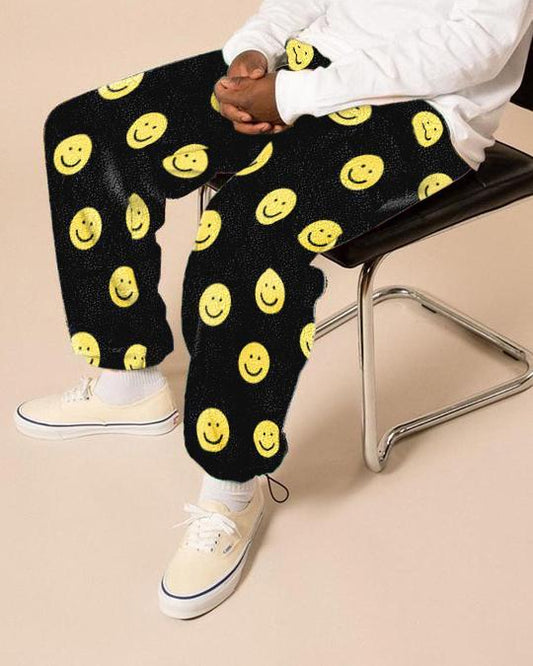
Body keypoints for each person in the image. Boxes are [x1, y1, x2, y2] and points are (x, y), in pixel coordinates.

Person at [14, 0, 533, 619]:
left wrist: (293, 96)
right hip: (308, 68)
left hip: (422, 114)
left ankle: (232, 488)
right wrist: (255, 52)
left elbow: (478, 44)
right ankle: (129, 381)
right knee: (88, 130)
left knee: (245, 230)